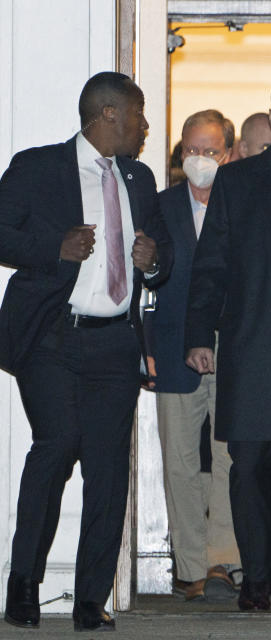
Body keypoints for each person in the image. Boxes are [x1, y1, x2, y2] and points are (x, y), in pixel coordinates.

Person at [0, 71, 171, 632]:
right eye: (138, 114)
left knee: (106, 471)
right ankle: (24, 583)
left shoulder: (140, 179)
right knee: (58, 445)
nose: (145, 126)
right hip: (52, 336)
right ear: (109, 115)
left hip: (116, 342)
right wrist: (54, 246)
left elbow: (162, 253)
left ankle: (89, 600)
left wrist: (154, 261)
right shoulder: (38, 166)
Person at [184, 73, 271, 617]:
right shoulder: (237, 180)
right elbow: (211, 265)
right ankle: (258, 579)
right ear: (270, 116)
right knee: (249, 468)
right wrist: (200, 335)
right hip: (250, 343)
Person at [148, 109, 240, 603]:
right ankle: (190, 567)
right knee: (180, 459)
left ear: (228, 154)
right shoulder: (158, 206)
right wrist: (146, 349)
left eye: (209, 150)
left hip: (234, 348)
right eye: (190, 149)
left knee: (230, 456)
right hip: (172, 349)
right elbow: (143, 285)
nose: (199, 159)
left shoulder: (243, 204)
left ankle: (222, 560)